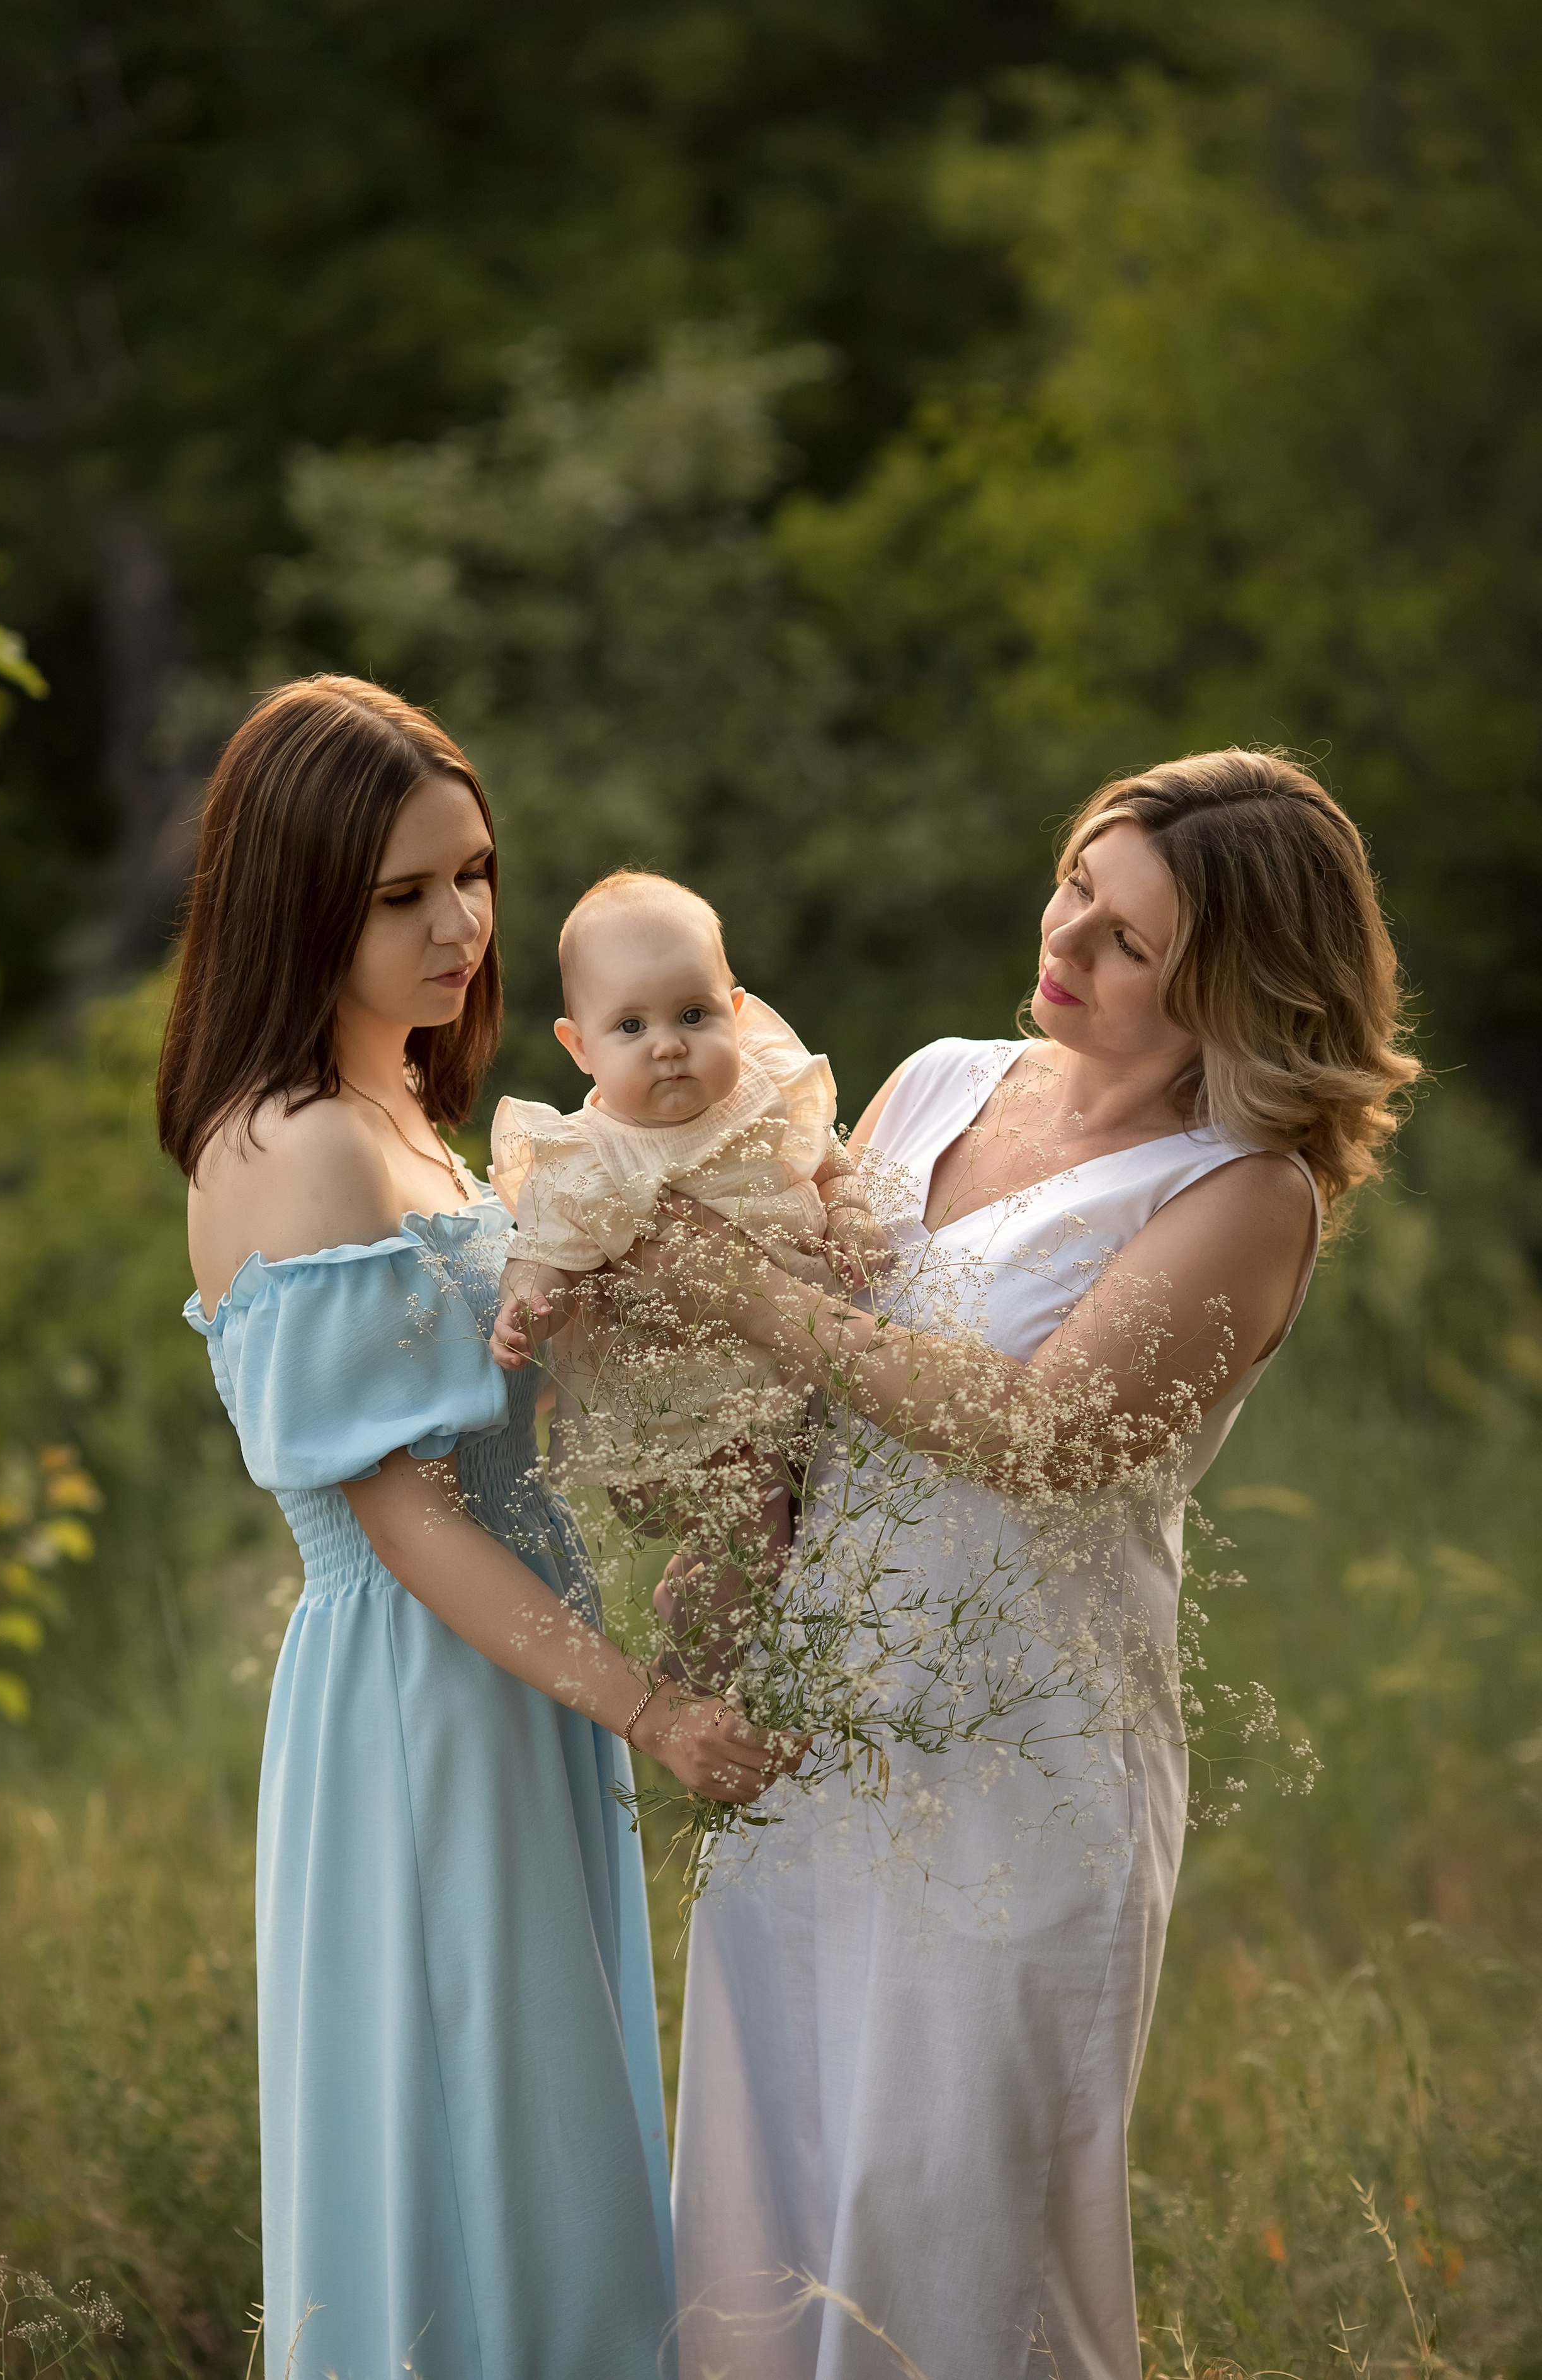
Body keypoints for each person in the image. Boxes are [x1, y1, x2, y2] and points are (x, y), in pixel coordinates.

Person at [666, 750, 1419, 2380]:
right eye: (1081, 882)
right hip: (819, 1738)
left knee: (947, 2226)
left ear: (1239, 991)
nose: (1066, 936)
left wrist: (746, 1295)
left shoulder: (1242, 1194)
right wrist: (730, 1524)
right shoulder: (935, 1078)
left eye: (1130, 939)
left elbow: (1038, 1432)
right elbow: (805, 1394)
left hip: (1020, 1772)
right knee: (770, 2202)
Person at [156, 675, 785, 2380]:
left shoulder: (418, 1127)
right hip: (419, 1691)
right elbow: (407, 1516)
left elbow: (519, 1426)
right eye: (401, 892)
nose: (461, 922)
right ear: (299, 900)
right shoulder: (293, 1149)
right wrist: (652, 1707)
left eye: (473, 872)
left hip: (517, 1668)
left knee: (548, 2128)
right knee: (475, 2129)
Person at [488, 869, 883, 1684]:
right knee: (756, 1525)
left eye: (693, 1015)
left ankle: (718, 1613)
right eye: (631, 1024)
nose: (668, 1043)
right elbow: (547, 1250)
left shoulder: (765, 1091)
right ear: (579, 1046)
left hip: (793, 1346)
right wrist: (527, 1304)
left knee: (808, 1509)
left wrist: (848, 1212)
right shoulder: (592, 1155)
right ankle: (696, 1678)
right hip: (693, 1382)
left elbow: (830, 1162)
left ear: (736, 1012)